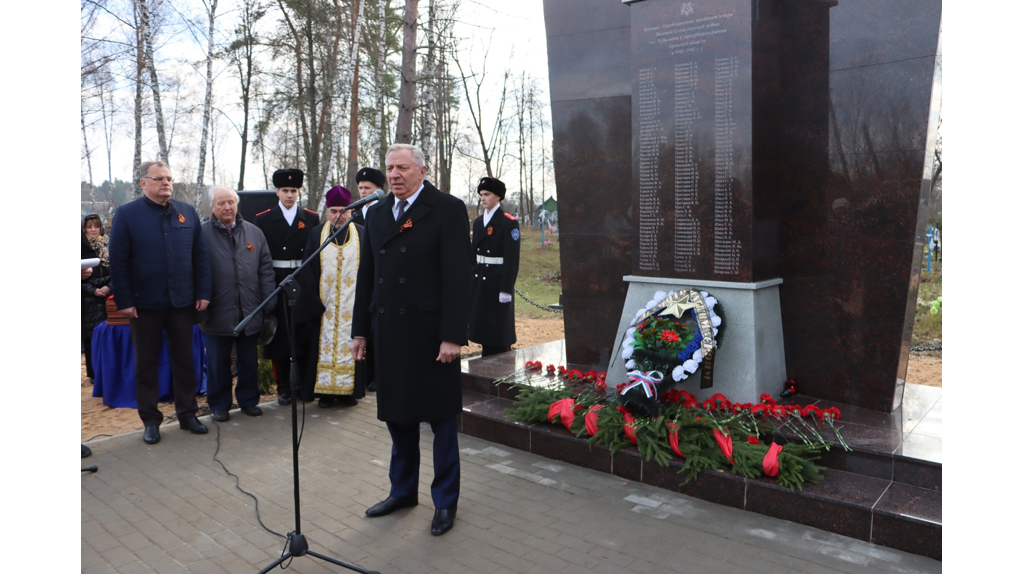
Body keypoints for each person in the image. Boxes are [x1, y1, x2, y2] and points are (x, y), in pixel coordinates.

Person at [351, 143, 472, 536]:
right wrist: (360, 330)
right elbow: (366, 276)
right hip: (390, 335)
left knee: (441, 424)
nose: (394, 175)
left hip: (432, 338)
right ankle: (402, 491)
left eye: (402, 167)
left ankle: (445, 502)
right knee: (398, 419)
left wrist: (453, 336)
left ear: (422, 170)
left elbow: (459, 278)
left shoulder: (447, 209)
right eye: (390, 168)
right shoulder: (378, 212)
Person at [108, 160, 212, 445]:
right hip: (144, 305)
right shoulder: (127, 215)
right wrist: (125, 300)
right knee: (146, 364)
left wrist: (203, 292)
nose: (166, 183)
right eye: (159, 178)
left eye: (169, 178)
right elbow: (118, 262)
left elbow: (200, 257)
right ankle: (150, 421)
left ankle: (188, 414)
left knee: (185, 361)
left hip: (181, 302)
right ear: (144, 183)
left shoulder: (187, 213)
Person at [200, 187, 277, 422]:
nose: (227, 208)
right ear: (212, 207)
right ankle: (219, 405)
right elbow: (196, 271)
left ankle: (248, 400)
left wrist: (268, 300)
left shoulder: (254, 232)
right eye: (221, 203)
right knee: (217, 362)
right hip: (216, 311)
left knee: (248, 361)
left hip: (250, 307)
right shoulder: (201, 235)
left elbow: (265, 268)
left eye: (231, 203)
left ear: (237, 204)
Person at [294, 185, 366, 407]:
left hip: (352, 309)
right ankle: (324, 394)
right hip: (323, 309)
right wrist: (314, 303)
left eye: (342, 210)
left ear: (351, 211)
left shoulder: (362, 234)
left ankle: (348, 393)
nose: (338, 215)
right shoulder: (317, 234)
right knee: (320, 349)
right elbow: (307, 272)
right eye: (333, 211)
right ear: (327, 212)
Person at [255, 169, 320, 405]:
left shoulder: (311, 218)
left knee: (302, 333)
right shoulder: (263, 219)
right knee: (280, 335)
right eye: (285, 191)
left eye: (293, 191)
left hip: (303, 279)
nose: (290, 195)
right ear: (277, 192)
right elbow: (261, 257)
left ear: (299, 192)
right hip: (277, 280)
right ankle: (283, 386)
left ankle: (304, 384)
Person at [467, 177, 520, 357]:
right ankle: (486, 362)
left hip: (497, 281)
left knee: (498, 332)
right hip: (480, 279)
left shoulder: (508, 222)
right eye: (481, 194)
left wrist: (506, 289)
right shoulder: (479, 221)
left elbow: (512, 259)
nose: (483, 198)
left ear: (498, 197)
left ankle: (499, 365)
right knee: (483, 329)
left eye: (487, 194)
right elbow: (473, 254)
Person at [350, 167, 386, 391]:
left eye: (367, 188)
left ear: (378, 190)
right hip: (357, 277)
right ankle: (364, 376)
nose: (363, 192)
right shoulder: (355, 214)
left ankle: (377, 375)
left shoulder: (385, 212)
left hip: (378, 279)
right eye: (361, 188)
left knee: (375, 331)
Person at [82, 214, 111, 383]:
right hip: (87, 299)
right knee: (90, 335)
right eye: (89, 227)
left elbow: (116, 271)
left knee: (107, 334)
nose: (93, 230)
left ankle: (107, 369)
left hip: (107, 295)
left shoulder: (108, 245)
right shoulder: (81, 247)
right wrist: (92, 290)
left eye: (96, 226)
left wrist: (108, 287)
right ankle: (93, 373)